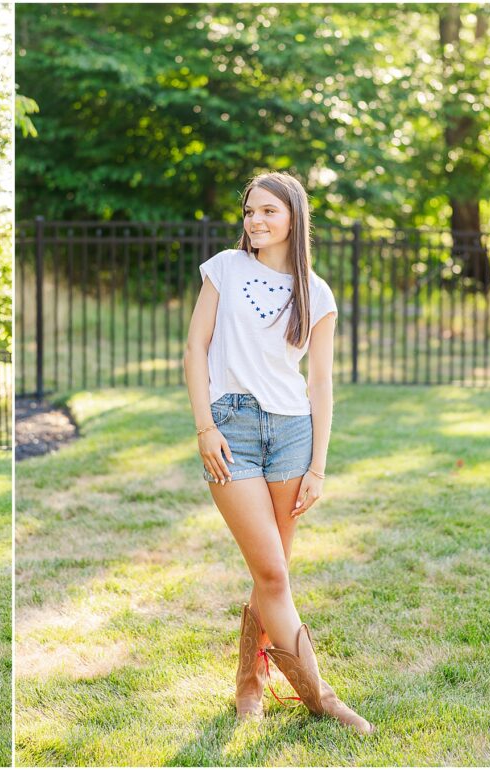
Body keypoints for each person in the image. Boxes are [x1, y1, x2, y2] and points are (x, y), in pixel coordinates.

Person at [183, 172, 373, 734]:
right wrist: (204, 427)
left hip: (291, 433)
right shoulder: (224, 268)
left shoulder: (317, 293)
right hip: (231, 431)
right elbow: (195, 347)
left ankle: (250, 683)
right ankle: (322, 698)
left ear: (294, 217)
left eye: (268, 211)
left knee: (272, 574)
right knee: (271, 570)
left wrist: (318, 465)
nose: (256, 221)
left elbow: (320, 384)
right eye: (249, 211)